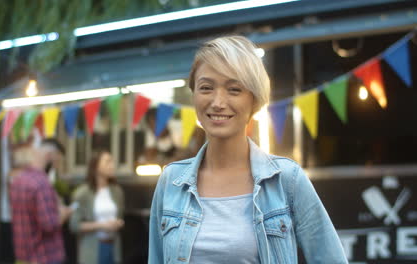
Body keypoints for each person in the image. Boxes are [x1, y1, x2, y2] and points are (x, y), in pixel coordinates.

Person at [148, 36, 347, 263]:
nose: (218, 102)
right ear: (193, 95)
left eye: (234, 89)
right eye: (206, 88)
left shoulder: (286, 180)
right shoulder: (171, 181)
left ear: (254, 99)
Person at [9, 138, 72, 264]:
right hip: (44, 256)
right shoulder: (42, 184)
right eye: (57, 161)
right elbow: (49, 224)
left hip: (22, 257)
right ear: (50, 156)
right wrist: (64, 215)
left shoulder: (18, 181)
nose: (56, 166)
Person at [69, 151, 125, 264]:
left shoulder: (117, 191)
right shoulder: (82, 193)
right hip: (93, 247)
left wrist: (118, 223)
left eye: (113, 162)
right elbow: (74, 225)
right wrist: (102, 225)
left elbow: (120, 216)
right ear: (96, 166)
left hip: (113, 246)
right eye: (107, 162)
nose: (112, 165)